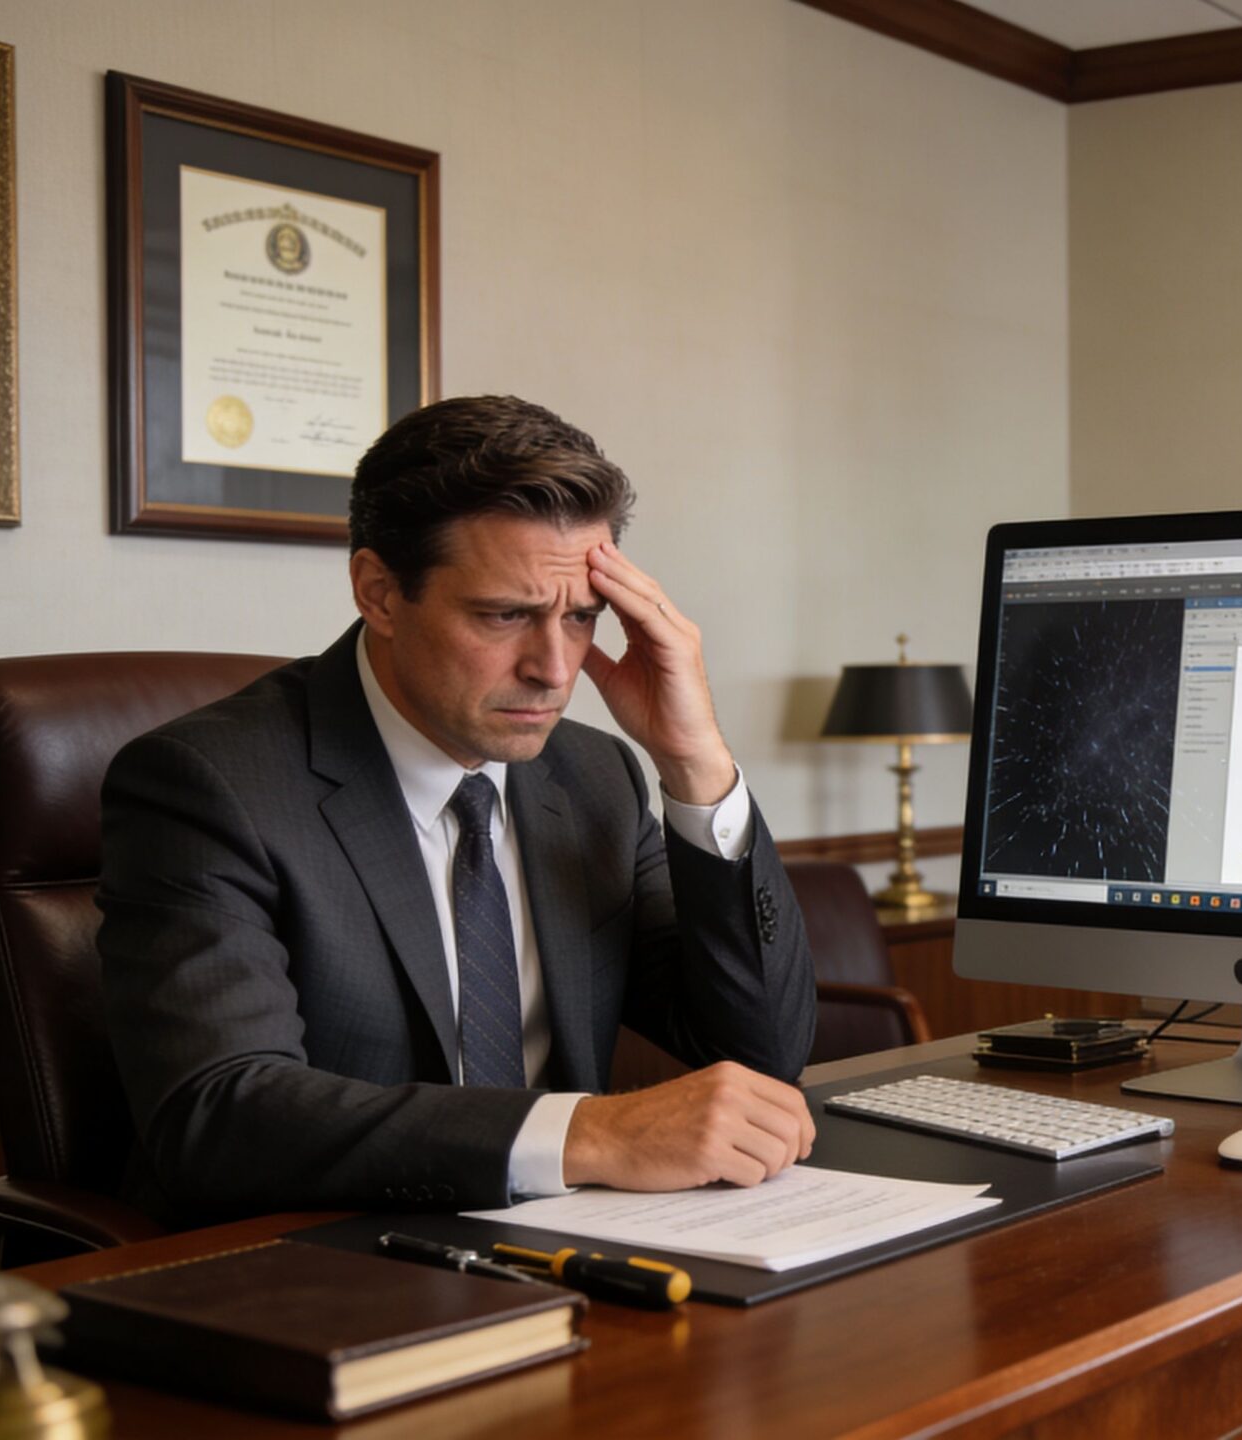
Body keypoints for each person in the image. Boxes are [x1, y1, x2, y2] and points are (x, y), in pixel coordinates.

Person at [99, 395, 818, 1224]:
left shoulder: (594, 777)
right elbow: (218, 1113)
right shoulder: (210, 783)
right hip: (323, 1261)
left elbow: (762, 1051)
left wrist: (696, 764)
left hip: (574, 1246)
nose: (555, 669)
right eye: (505, 615)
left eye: (581, 618)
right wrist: (587, 1132)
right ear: (378, 592)